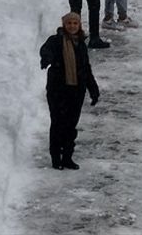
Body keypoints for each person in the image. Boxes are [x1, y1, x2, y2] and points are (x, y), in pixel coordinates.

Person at [39, 12, 100, 170]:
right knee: (58, 123)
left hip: (76, 91)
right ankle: (55, 158)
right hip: (58, 90)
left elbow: (86, 69)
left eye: (75, 23)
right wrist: (47, 59)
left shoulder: (81, 44)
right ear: (64, 25)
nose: (72, 26)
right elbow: (46, 50)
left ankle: (67, 157)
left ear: (79, 25)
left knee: (71, 125)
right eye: (69, 23)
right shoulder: (56, 40)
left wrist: (93, 89)